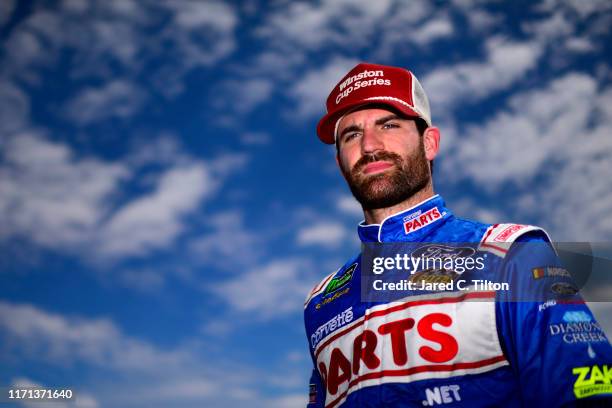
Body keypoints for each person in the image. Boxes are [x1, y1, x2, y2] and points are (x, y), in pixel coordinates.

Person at [303, 63, 612, 407]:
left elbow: (590, 394)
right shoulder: (320, 303)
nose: (370, 145)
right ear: (339, 163)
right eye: (351, 135)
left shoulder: (514, 254)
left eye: (389, 125)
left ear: (430, 143)